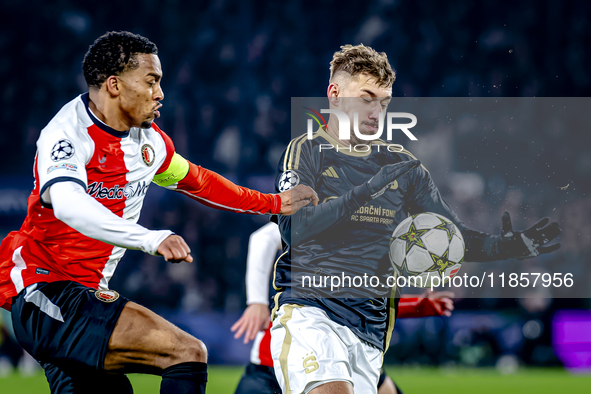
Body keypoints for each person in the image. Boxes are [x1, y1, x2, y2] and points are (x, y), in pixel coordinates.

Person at [0, 31, 318, 394]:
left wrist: (273, 203)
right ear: (115, 85)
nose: (160, 93)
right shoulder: (66, 135)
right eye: (151, 82)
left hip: (86, 292)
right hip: (45, 288)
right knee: (186, 353)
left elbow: (198, 180)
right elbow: (70, 205)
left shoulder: (148, 143)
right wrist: (151, 238)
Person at [270, 44, 562, 394]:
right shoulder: (307, 152)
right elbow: (294, 229)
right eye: (366, 97)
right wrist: (365, 191)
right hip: (310, 312)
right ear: (334, 94)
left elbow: (452, 236)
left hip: (371, 330)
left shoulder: (403, 167)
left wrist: (510, 245)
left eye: (384, 101)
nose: (376, 111)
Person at [231, 222, 455, 394]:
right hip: (279, 366)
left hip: (349, 352)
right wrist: (257, 302)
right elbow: (264, 238)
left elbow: (360, 306)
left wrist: (416, 306)